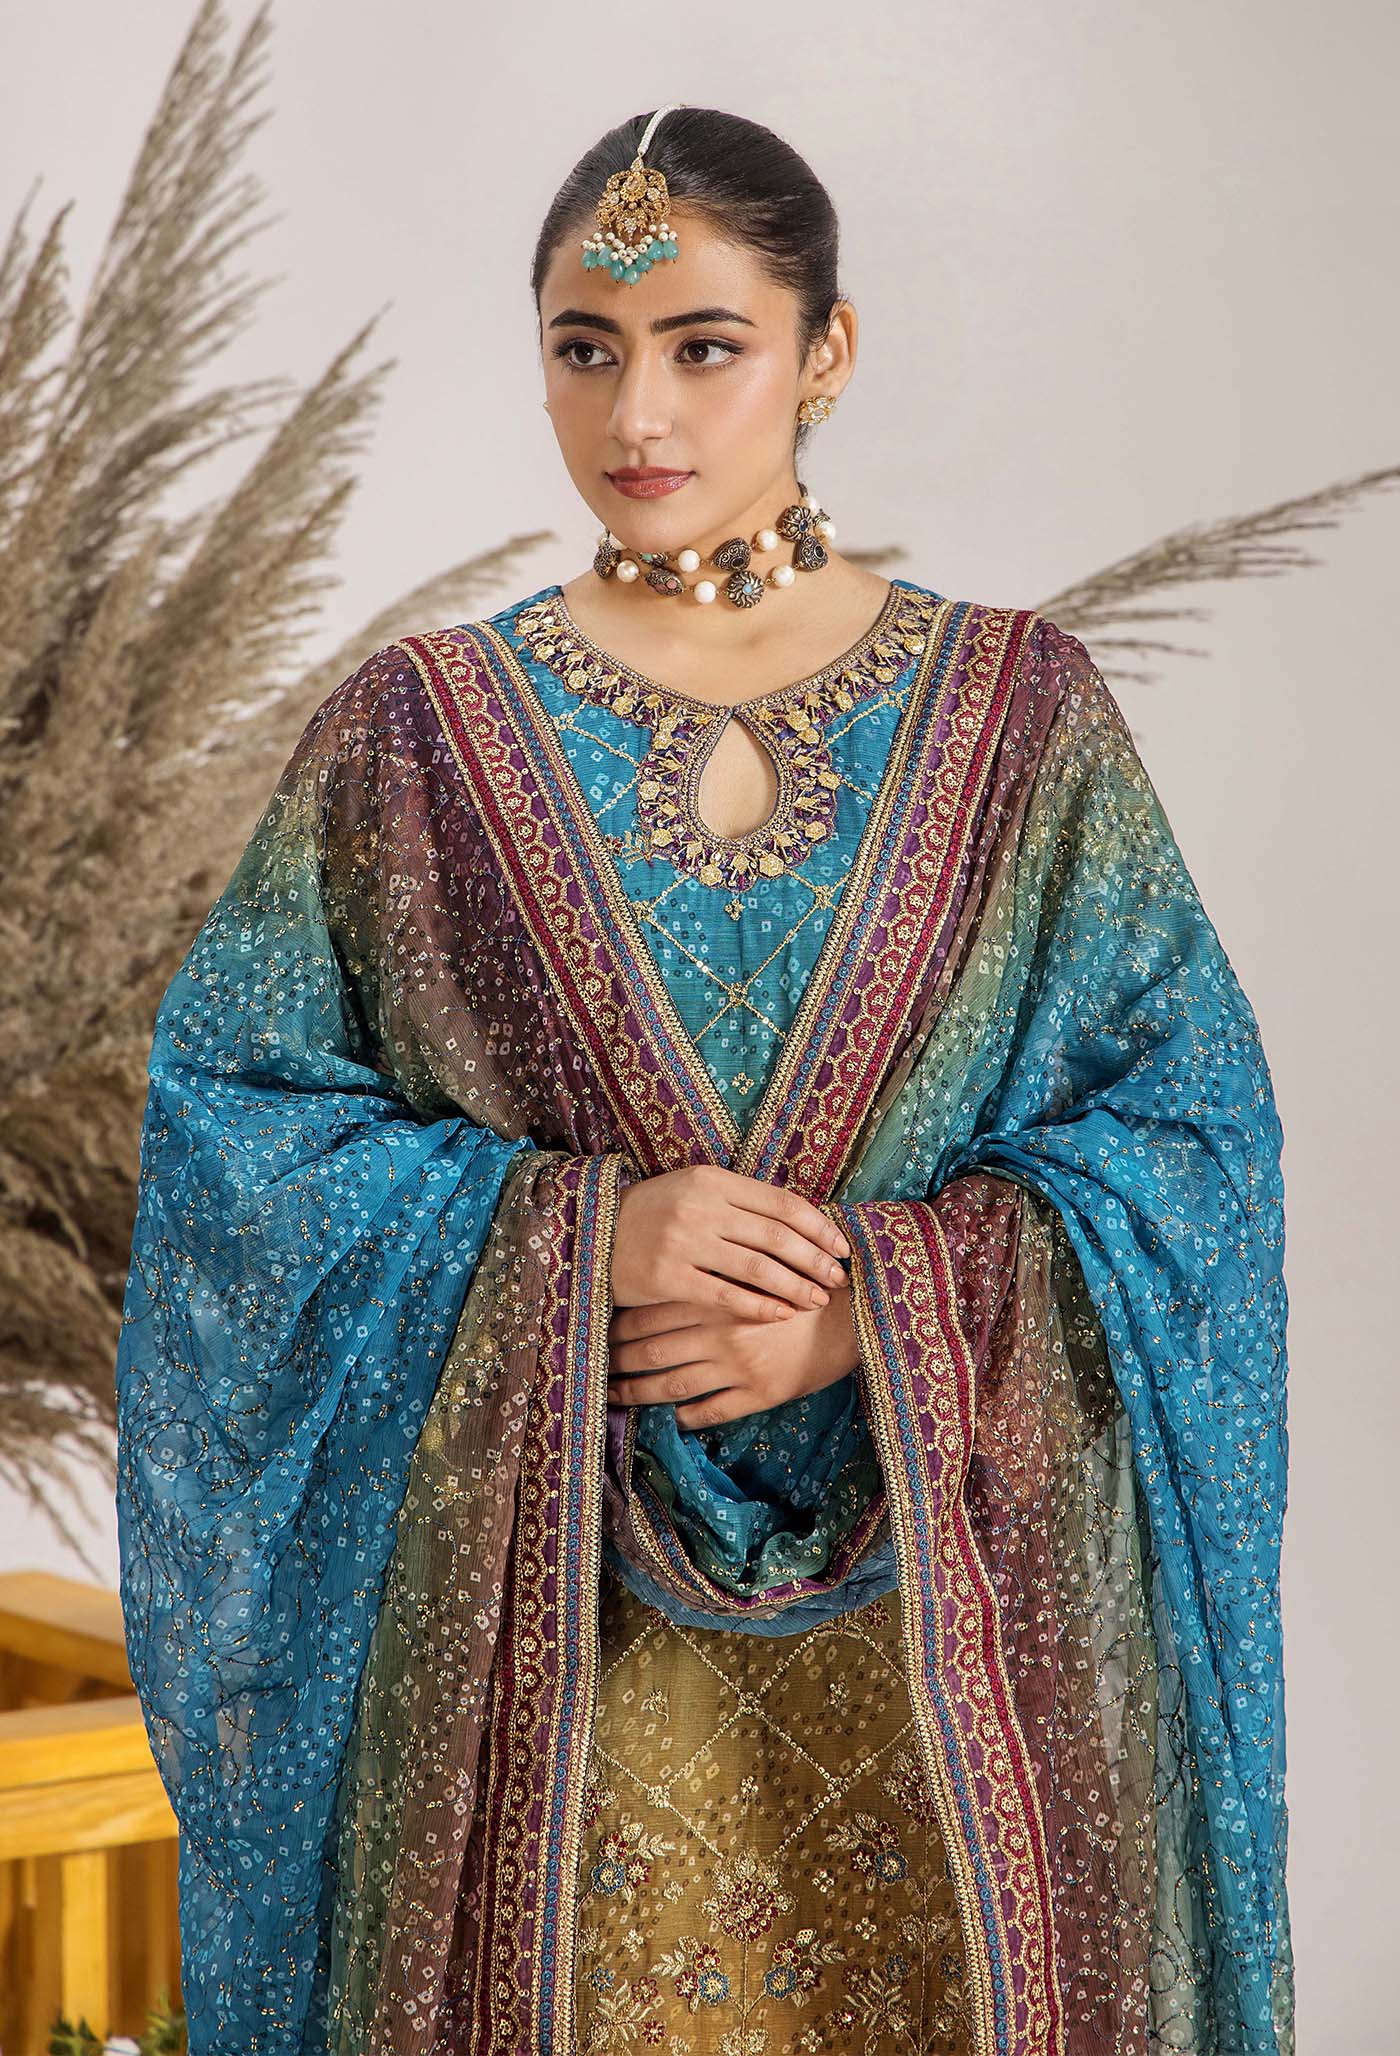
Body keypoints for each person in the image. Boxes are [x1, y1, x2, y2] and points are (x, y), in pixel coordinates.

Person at [114, 102, 1296, 2056]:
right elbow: (241, 1127)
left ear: (827, 351)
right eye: (585, 346)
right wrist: (582, 1238)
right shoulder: (421, 731)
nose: (636, 410)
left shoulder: (1020, 714)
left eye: (704, 344)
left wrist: (874, 1312)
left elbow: (1190, 1143)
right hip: (548, 1667)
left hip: (957, 1652)